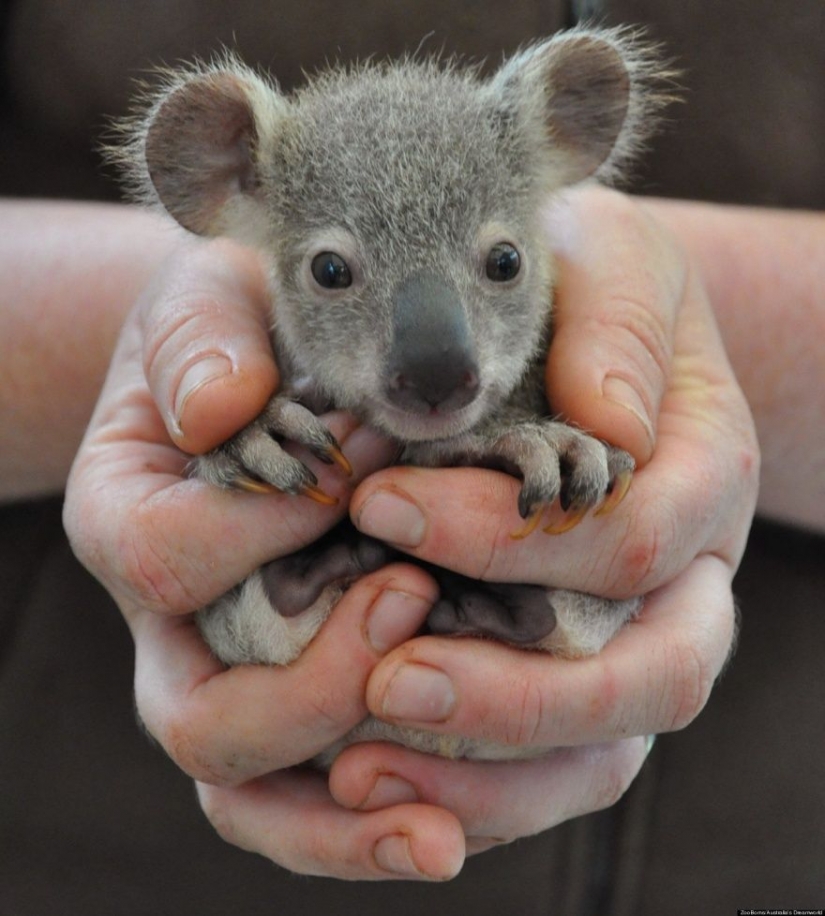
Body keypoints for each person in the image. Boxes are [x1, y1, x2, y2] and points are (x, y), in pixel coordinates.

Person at [1, 0, 823, 912]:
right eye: (333, 273)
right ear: (222, 176)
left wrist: (661, 339)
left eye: (501, 265)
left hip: (752, 832)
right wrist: (194, 377)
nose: (436, 362)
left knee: (587, 536)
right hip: (110, 836)